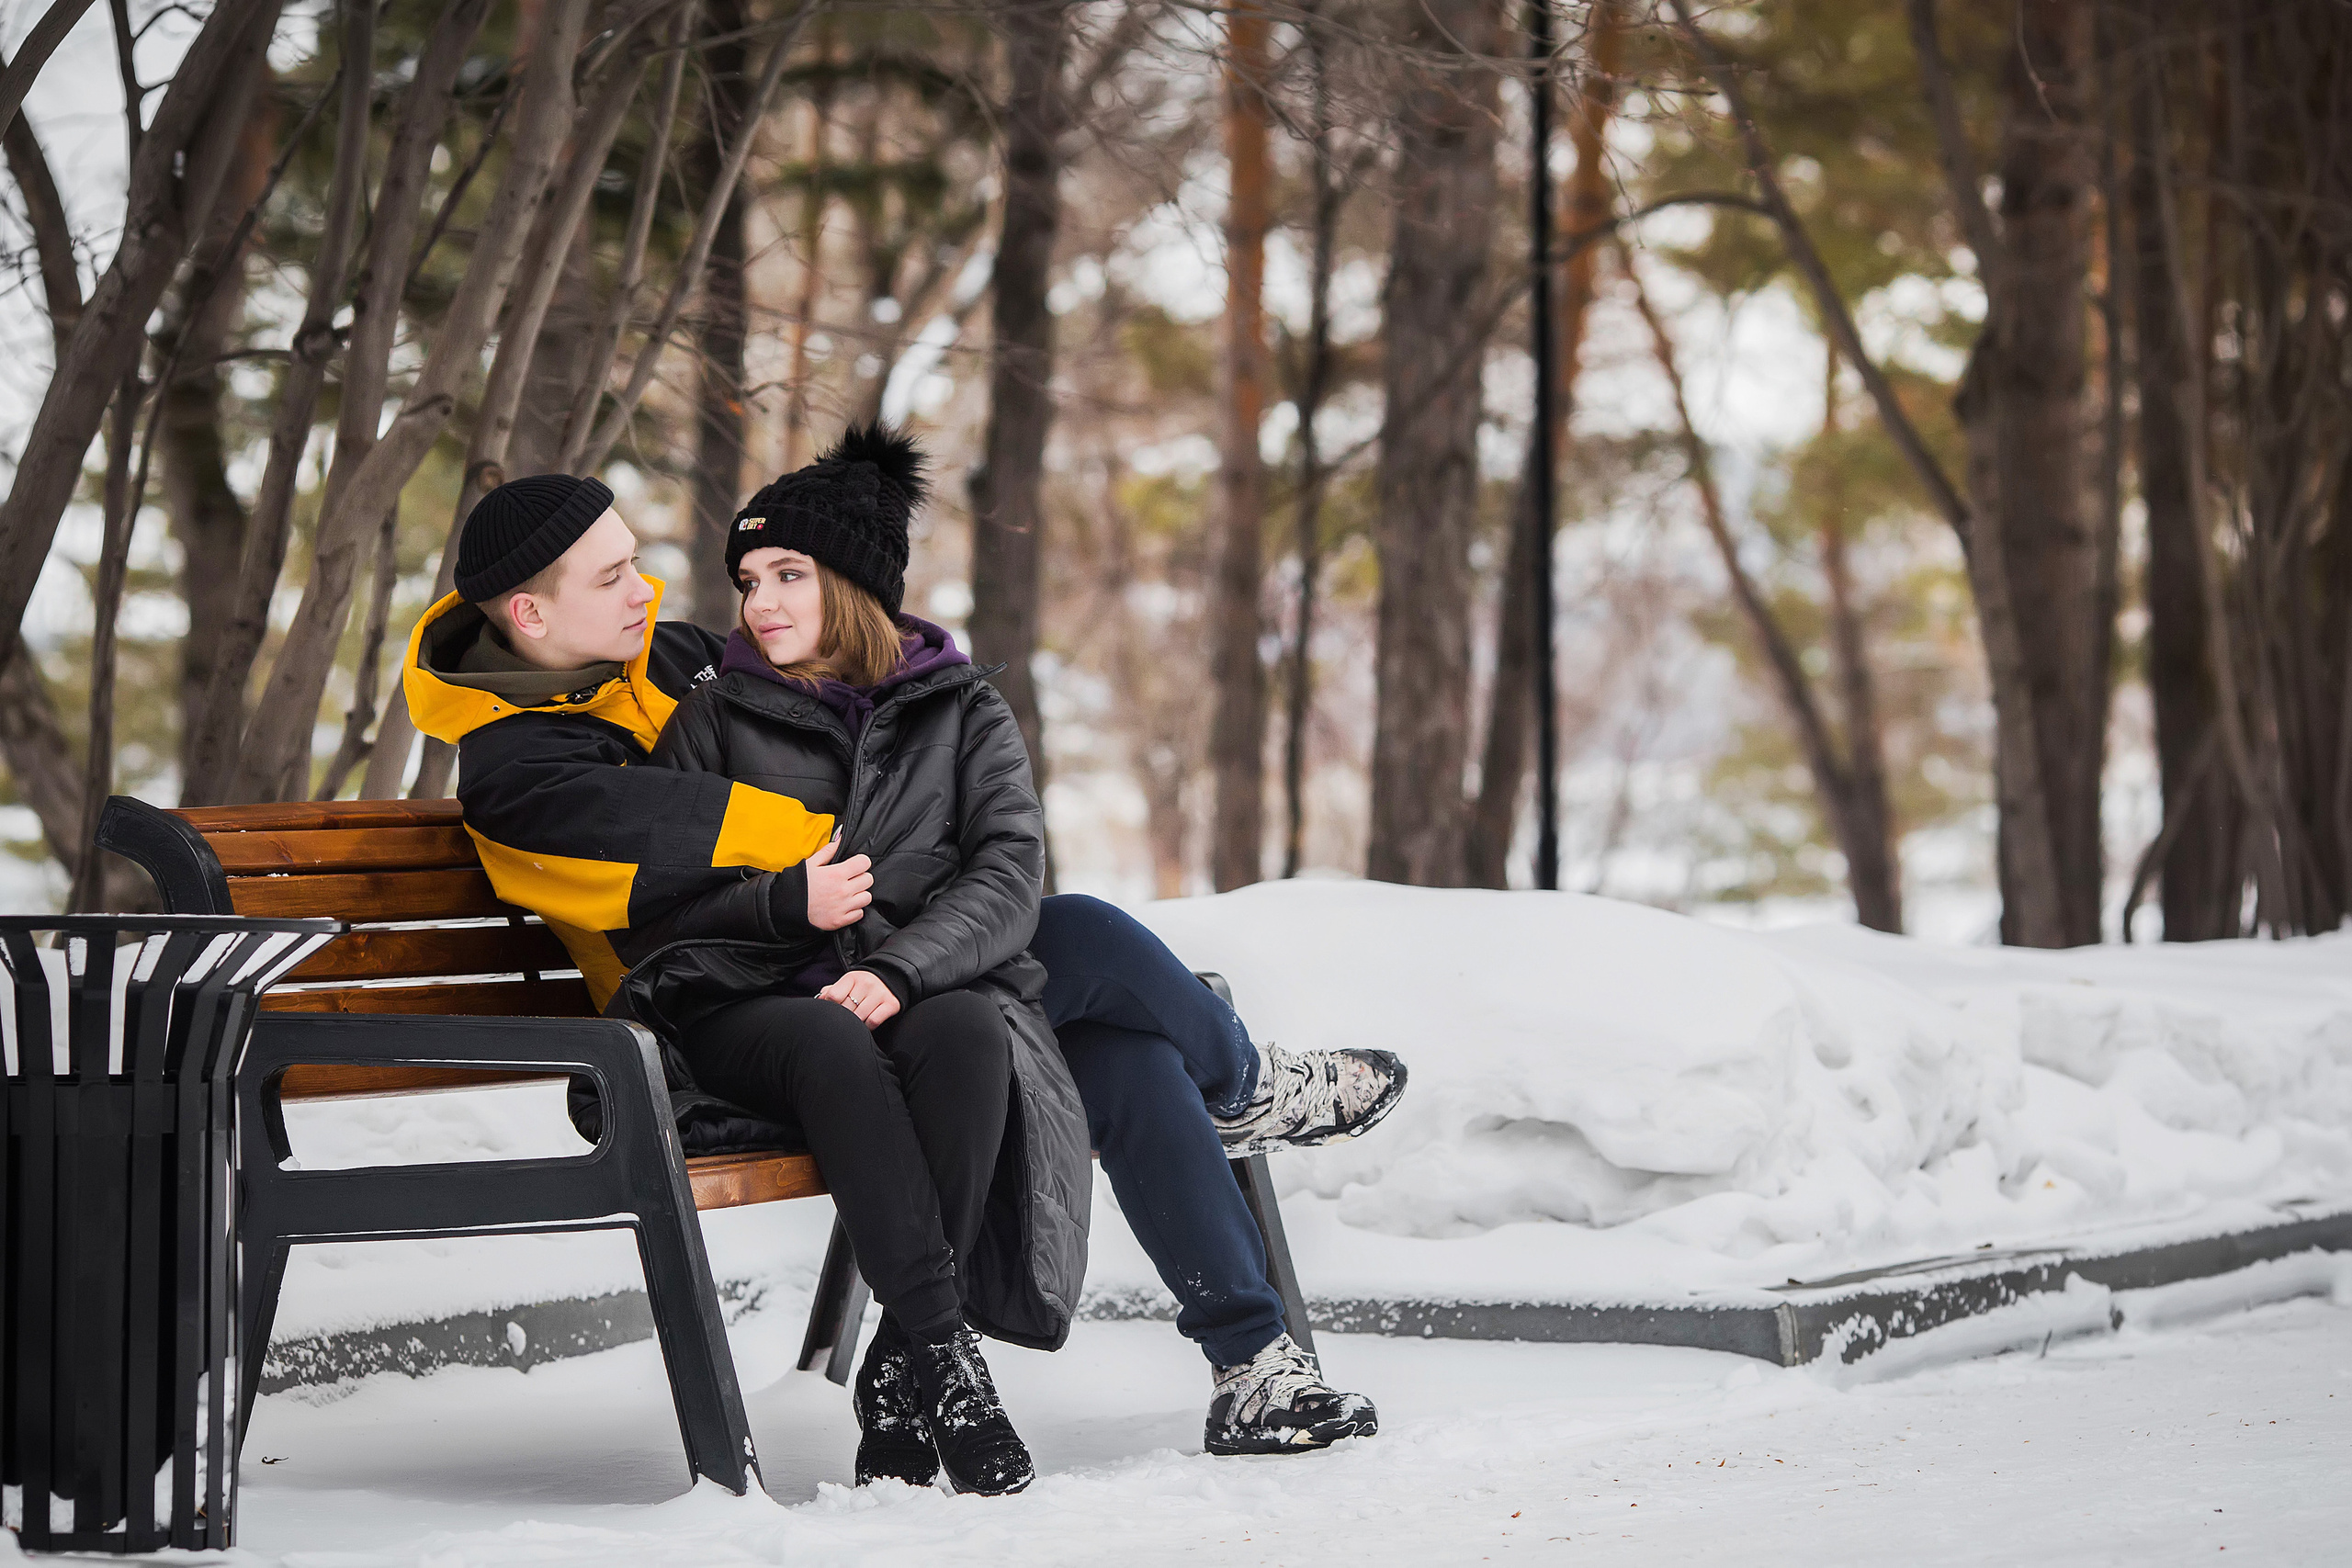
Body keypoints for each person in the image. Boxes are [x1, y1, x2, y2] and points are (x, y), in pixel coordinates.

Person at [398, 438, 1406, 1485]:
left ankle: (1251, 1357)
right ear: (530, 615)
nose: (678, 595)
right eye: (747, 582)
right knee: (1091, 1002)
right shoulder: (573, 746)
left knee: (1115, 1030)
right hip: (757, 1014)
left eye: (788, 575)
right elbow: (660, 861)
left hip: (908, 965)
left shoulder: (702, 662)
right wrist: (806, 857)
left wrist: (912, 930)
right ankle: (1240, 1103)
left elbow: (999, 857)